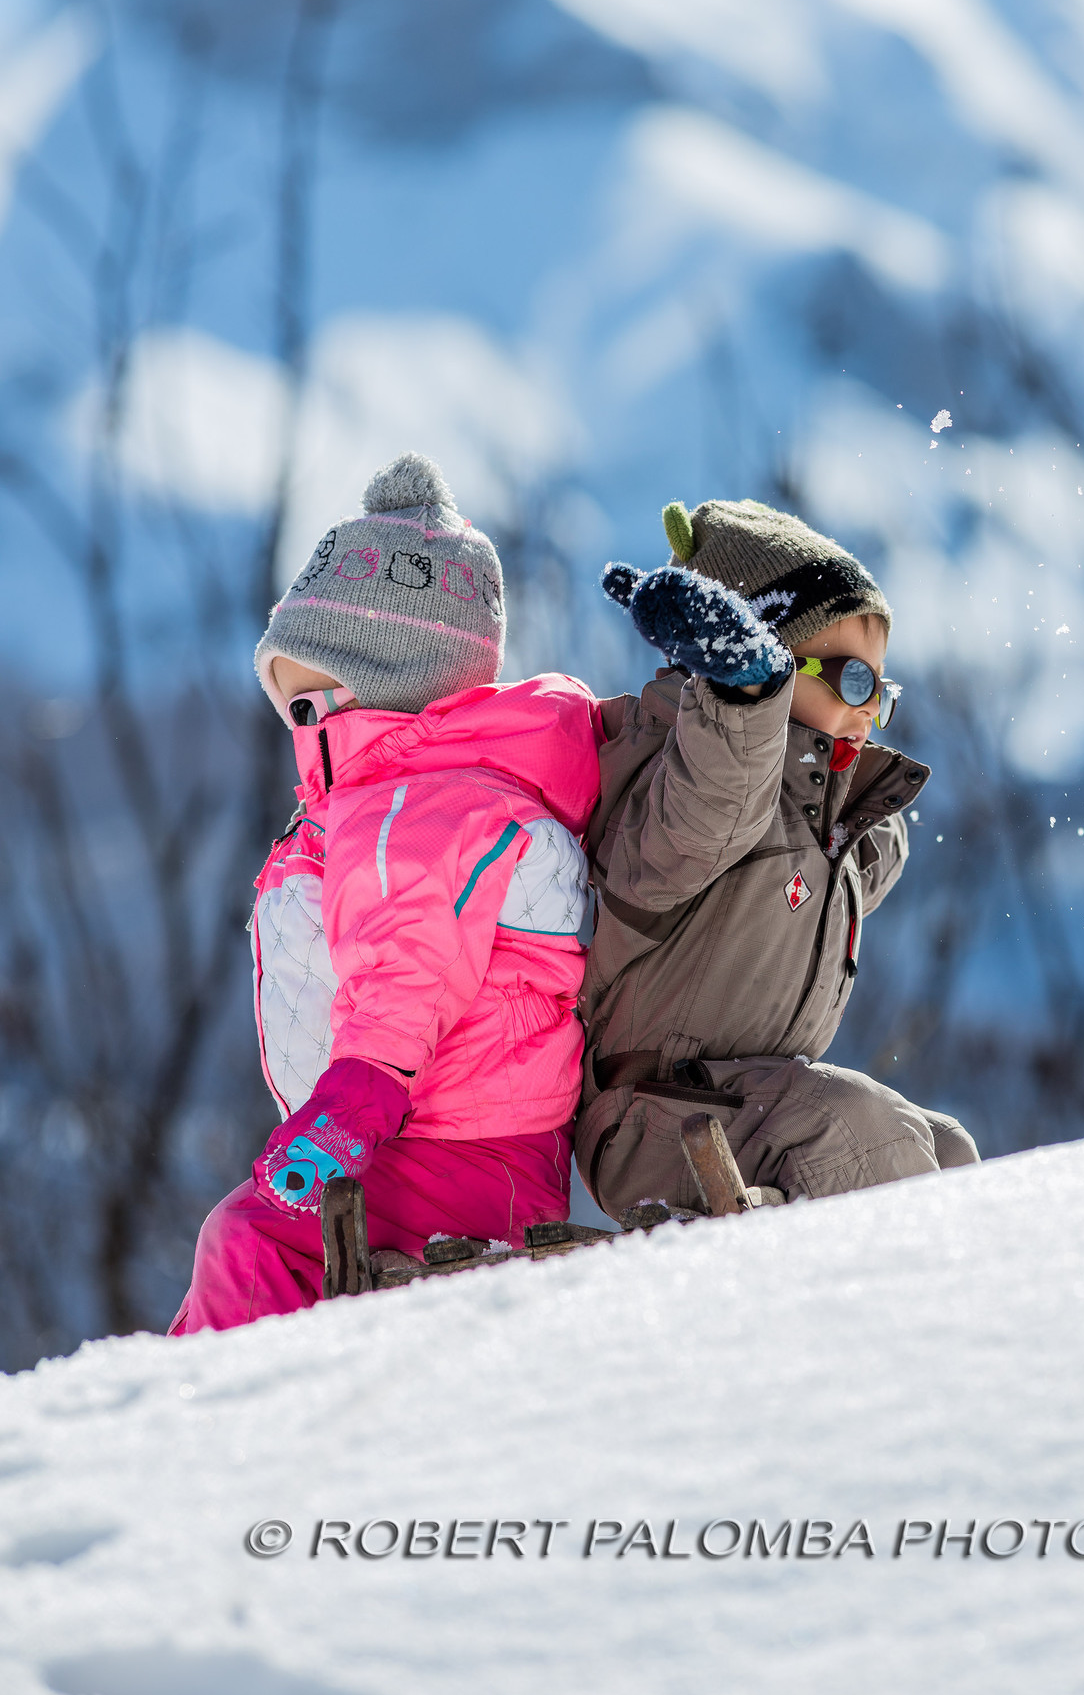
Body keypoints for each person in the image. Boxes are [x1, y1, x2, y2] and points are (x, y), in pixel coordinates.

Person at [170, 453, 602, 1333]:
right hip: (494, 1149)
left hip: (437, 1149)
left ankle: (212, 1434)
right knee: (249, 1238)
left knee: (248, 1243)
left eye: (302, 709)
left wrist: (348, 1108)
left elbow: (403, 971)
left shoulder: (409, 811)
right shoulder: (469, 792)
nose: (296, 736)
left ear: (375, 687)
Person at [576, 496, 978, 1218]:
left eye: (882, 689)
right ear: (766, 660)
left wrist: (862, 811)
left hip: (740, 1101)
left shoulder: (815, 806)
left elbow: (843, 854)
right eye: (855, 680)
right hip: (651, 1119)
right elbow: (720, 788)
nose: (870, 705)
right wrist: (742, 691)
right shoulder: (691, 784)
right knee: (860, 1133)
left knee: (948, 1150)